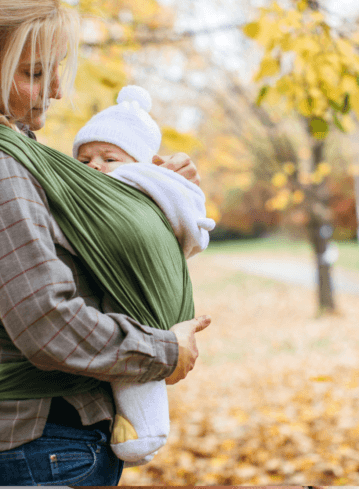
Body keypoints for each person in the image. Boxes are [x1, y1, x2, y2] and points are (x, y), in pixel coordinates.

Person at [0, 0, 210, 487]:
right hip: (28, 451)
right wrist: (162, 352)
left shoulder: (4, 153)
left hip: (33, 453)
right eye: (34, 72)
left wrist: (154, 193)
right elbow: (46, 321)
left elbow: (81, 247)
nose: (57, 90)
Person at [71, 84, 215, 465]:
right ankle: (138, 428)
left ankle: (145, 429)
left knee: (134, 342)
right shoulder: (90, 193)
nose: (95, 167)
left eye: (109, 158)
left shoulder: (139, 186)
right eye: (84, 160)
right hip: (124, 291)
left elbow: (182, 225)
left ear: (139, 164)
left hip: (138, 292)